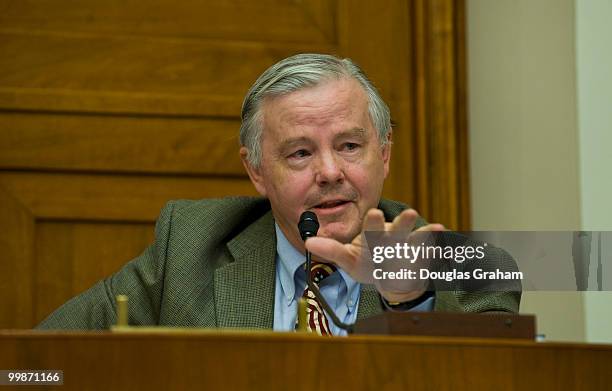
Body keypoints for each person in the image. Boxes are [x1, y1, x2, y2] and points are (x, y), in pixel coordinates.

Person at [37, 53, 520, 333]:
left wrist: (412, 305)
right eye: (300, 154)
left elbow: (500, 381)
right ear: (256, 172)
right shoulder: (188, 249)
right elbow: (35, 367)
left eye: (350, 146)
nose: (330, 172)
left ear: (385, 153)